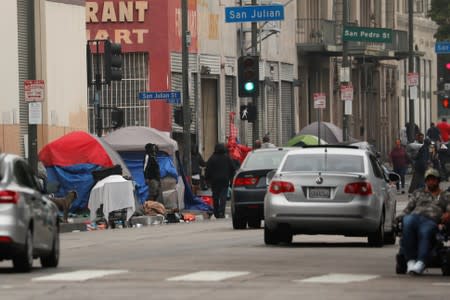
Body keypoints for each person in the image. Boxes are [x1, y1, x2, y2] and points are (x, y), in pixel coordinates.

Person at [397, 168, 450, 275]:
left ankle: (420, 262)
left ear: (438, 181)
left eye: (433, 179)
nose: (431, 182)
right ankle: (411, 261)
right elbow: (408, 209)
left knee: (424, 232)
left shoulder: (445, 195)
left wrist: (446, 216)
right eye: (429, 180)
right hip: (414, 217)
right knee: (407, 222)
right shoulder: (418, 193)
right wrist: (398, 219)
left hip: (431, 221)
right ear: (425, 181)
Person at [205, 143, 236, 218]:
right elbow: (233, 168)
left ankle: (216, 212)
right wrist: (231, 178)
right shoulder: (227, 158)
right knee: (223, 197)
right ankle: (222, 212)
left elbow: (207, 169)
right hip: (225, 180)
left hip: (214, 181)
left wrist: (207, 179)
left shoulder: (212, 158)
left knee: (215, 196)